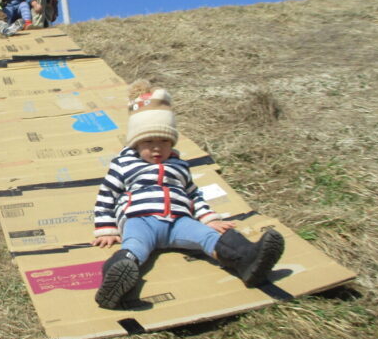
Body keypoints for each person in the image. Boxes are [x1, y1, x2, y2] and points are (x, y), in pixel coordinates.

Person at [92, 80, 285, 309]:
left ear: (172, 142)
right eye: (149, 142)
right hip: (140, 219)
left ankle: (249, 261)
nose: (156, 148)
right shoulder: (123, 164)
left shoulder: (179, 165)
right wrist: (106, 228)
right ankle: (115, 283)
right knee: (134, 250)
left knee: (209, 237)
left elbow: (194, 195)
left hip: (179, 221)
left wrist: (209, 218)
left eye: (164, 141)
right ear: (136, 143)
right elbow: (107, 195)